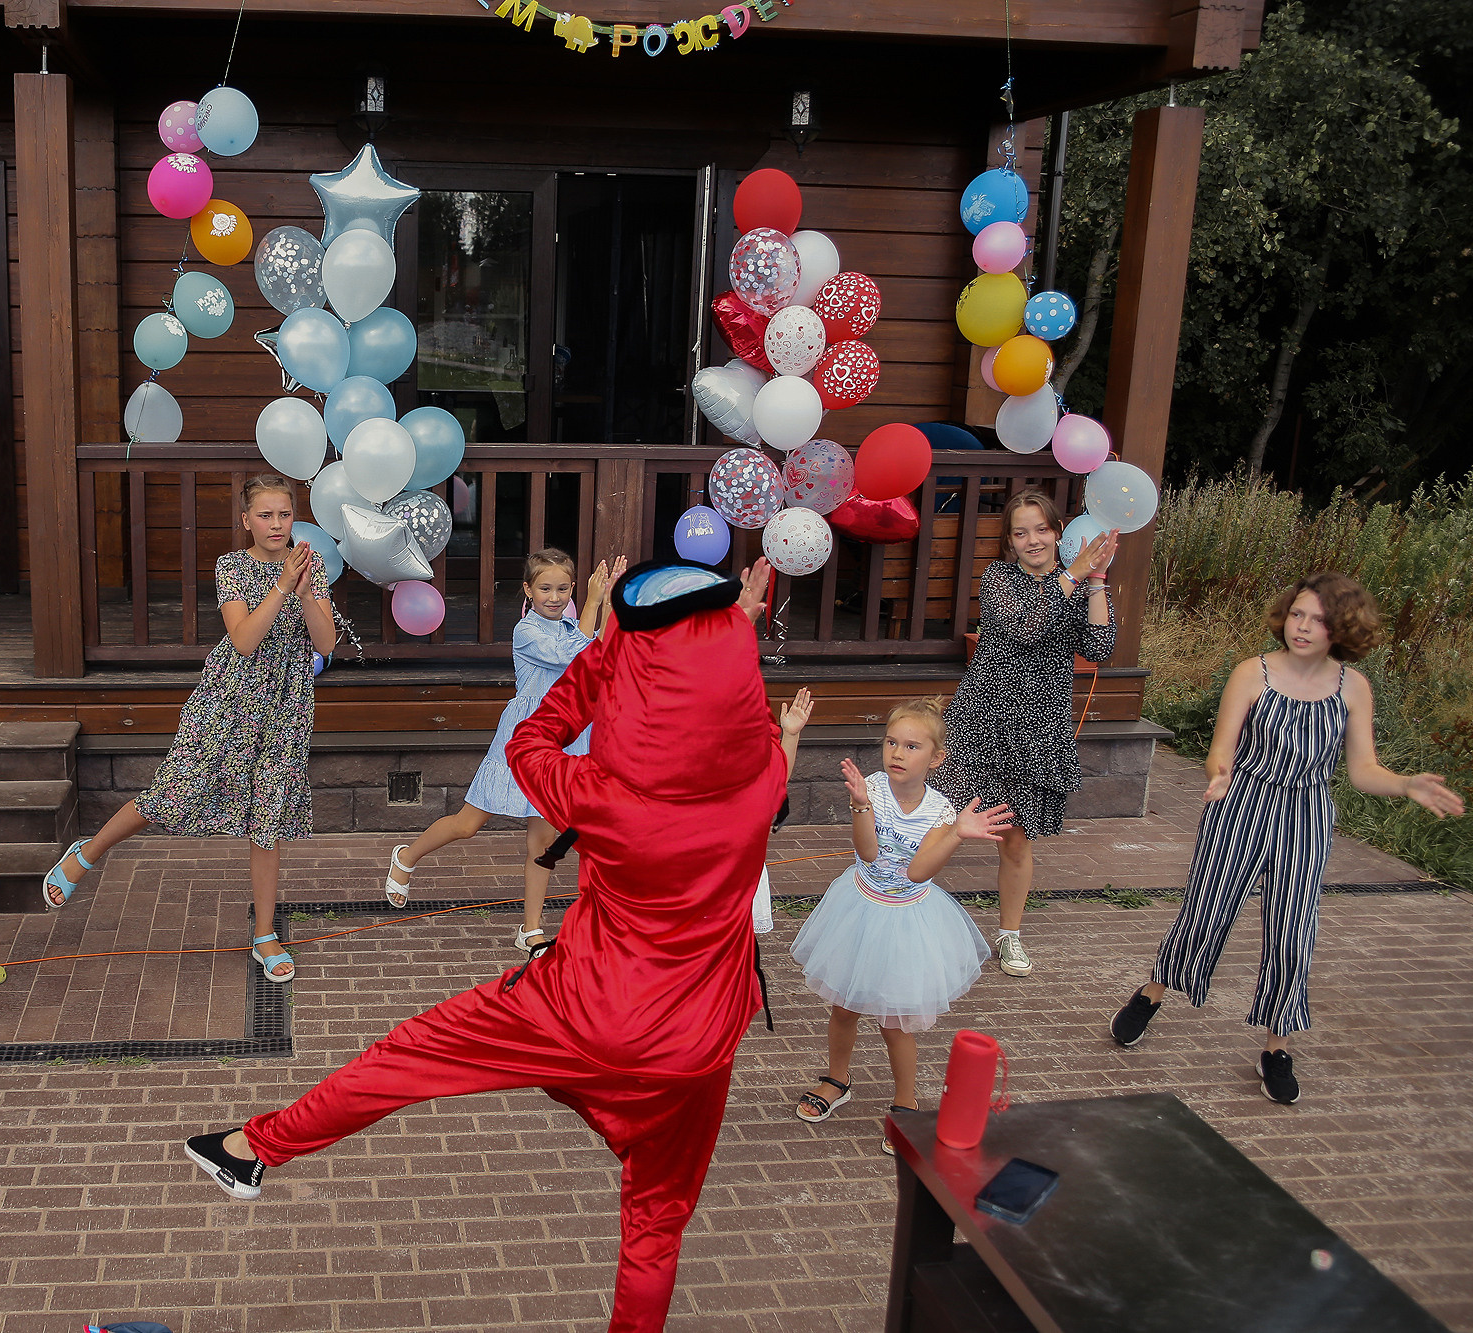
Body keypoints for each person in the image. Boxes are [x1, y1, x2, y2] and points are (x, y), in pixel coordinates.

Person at [180, 559, 790, 1333]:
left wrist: (606, 650)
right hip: (696, 1041)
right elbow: (740, 716)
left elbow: (531, 738)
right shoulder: (762, 778)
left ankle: (252, 1147)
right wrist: (732, 624)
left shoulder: (599, 793)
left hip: (581, 1011)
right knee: (655, 1225)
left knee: (407, 1059)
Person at [1109, 574, 1463, 1103]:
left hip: (1308, 813)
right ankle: (1153, 991)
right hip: (1241, 802)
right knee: (1206, 912)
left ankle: (1276, 1047)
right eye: (1297, 614)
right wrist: (1219, 774)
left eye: (1317, 619)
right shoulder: (1253, 672)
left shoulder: (1353, 687)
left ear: (1339, 627)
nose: (1302, 626)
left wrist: (1405, 784)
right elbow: (1220, 750)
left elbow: (1364, 771)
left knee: (1294, 934)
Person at [41, 475, 337, 984]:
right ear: (246, 520)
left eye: (283, 515)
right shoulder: (231, 566)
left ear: (294, 517)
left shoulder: (310, 566)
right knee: (176, 788)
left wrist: (308, 592)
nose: (275, 525)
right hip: (230, 697)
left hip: (286, 704)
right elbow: (243, 639)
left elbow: (326, 643)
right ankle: (86, 853)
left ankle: (264, 934)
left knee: (268, 814)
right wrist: (282, 587)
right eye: (264, 515)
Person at [788, 697, 1011, 1152]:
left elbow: (917, 871)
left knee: (895, 1020)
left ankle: (905, 1102)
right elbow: (868, 853)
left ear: (936, 758)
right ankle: (837, 1079)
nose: (897, 753)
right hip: (858, 907)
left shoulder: (944, 811)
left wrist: (954, 834)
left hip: (909, 918)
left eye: (912, 746)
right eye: (892, 742)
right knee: (844, 1006)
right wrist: (861, 805)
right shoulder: (871, 787)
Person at [382, 548, 625, 950]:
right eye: (545, 588)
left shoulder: (570, 626)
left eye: (563, 588)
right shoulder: (527, 631)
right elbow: (575, 658)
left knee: (542, 842)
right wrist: (595, 603)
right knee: (467, 824)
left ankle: (530, 928)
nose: (555, 596)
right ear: (527, 590)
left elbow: (600, 651)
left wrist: (612, 601)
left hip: (564, 742)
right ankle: (406, 856)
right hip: (524, 740)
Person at [938, 489, 1116, 977]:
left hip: (1039, 728)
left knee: (1015, 838)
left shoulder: (1079, 585)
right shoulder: (999, 580)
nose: (1033, 540)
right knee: (938, 821)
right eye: (1021, 533)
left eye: (1042, 529)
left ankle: (1010, 935)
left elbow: (1099, 646)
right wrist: (1073, 574)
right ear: (1010, 543)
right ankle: (898, 903)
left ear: (1059, 532)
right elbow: (1023, 627)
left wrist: (1096, 579)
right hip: (983, 719)